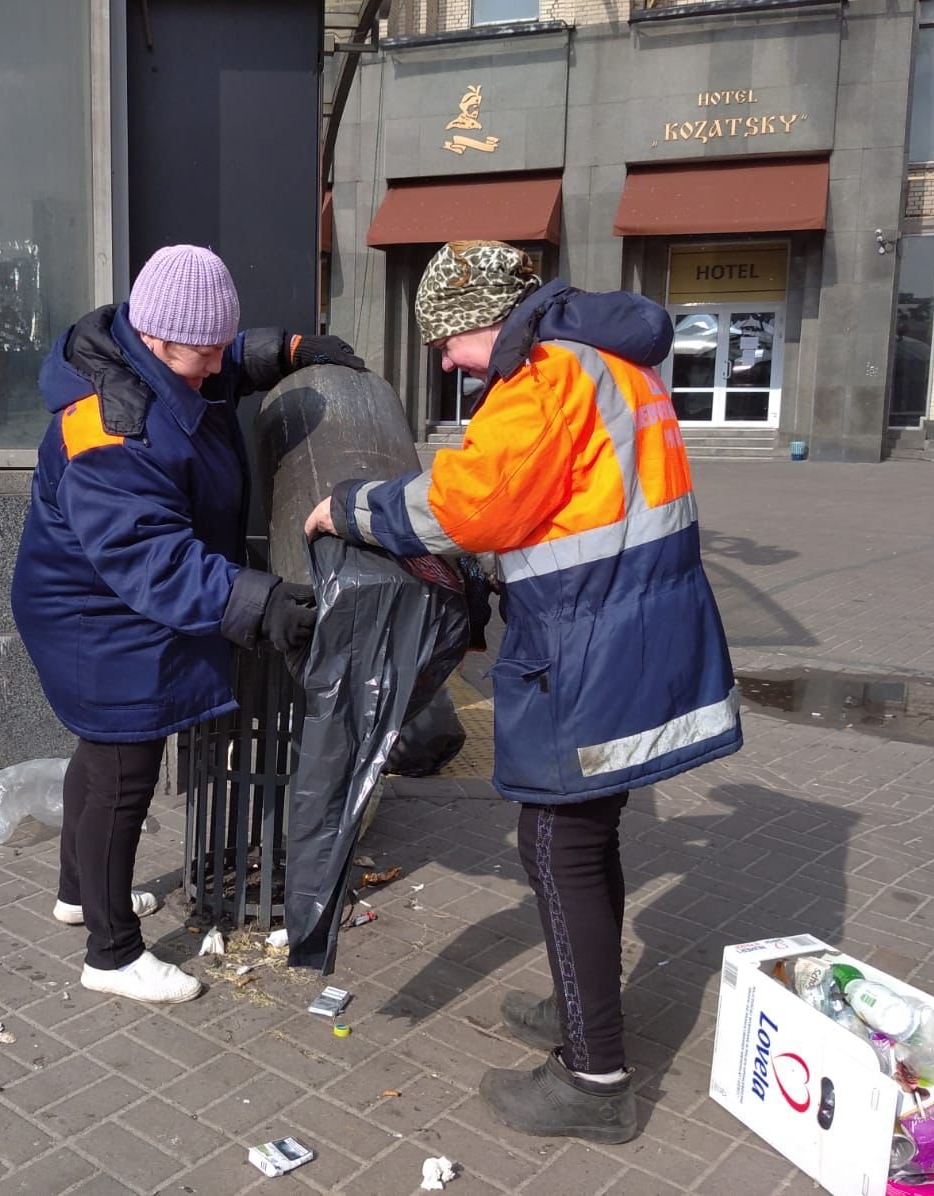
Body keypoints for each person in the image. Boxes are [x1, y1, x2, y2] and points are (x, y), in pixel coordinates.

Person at [304, 240, 741, 1142]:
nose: (445, 363)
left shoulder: (544, 377)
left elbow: (470, 506)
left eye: (445, 342)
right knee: (586, 832)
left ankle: (595, 1078)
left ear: (482, 320)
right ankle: (585, 1008)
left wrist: (349, 506)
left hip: (593, 638)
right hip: (635, 624)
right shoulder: (609, 359)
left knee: (555, 839)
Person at [13, 244, 364, 1004]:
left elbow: (218, 360)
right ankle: (111, 955)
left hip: (106, 603)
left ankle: (79, 894)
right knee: (122, 773)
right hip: (97, 615)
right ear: (156, 338)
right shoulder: (110, 429)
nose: (214, 369)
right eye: (202, 353)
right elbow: (151, 556)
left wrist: (284, 350)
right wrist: (259, 603)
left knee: (99, 757)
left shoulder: (153, 359)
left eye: (218, 347)